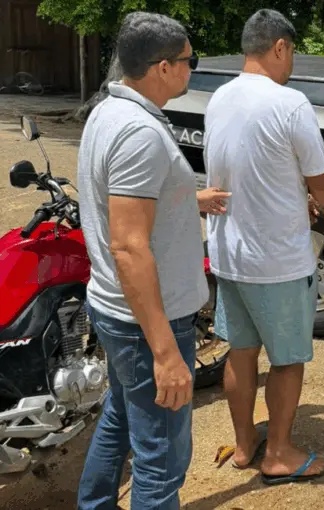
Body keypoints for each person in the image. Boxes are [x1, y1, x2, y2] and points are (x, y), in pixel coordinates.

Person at [76, 11, 230, 510]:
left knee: (120, 418)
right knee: (161, 460)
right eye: (190, 60)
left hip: (118, 311)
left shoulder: (109, 111)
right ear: (163, 67)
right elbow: (128, 246)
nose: (192, 68)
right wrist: (165, 353)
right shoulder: (139, 132)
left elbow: (125, 201)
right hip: (146, 322)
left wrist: (189, 199)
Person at [202, 8, 324, 485]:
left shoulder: (219, 97)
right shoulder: (290, 103)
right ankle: (279, 453)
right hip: (276, 259)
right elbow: (321, 176)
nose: (292, 62)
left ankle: (245, 445)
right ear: (280, 47)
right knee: (287, 360)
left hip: (229, 254)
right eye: (292, 52)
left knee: (241, 352)